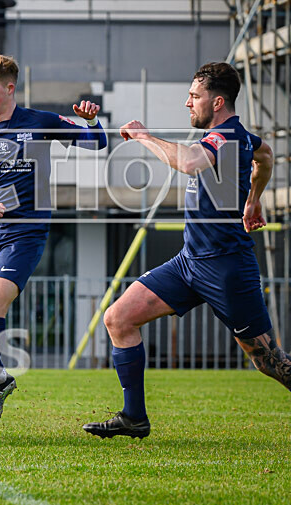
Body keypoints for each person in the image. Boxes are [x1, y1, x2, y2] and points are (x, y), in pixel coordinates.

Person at [83, 62, 290, 439]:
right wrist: (254, 201)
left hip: (227, 269)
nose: (187, 102)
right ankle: (134, 417)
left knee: (271, 363)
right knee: (118, 318)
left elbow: (191, 162)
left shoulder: (225, 136)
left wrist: (145, 136)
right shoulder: (241, 136)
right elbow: (267, 155)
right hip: (189, 262)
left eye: (195, 96)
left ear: (218, 101)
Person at [0, 55, 107, 426]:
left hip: (26, 235)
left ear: (10, 88)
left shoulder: (41, 121)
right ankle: (1, 379)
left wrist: (92, 121)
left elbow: (96, 143)